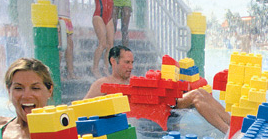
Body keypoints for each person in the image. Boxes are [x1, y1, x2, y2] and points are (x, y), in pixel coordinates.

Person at [86, 47, 231, 134]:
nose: (130, 66)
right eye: (126, 62)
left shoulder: (133, 80)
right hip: (148, 120)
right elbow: (84, 106)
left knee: (201, 93)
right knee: (196, 97)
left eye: (132, 63)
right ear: (113, 61)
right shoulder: (103, 84)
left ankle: (233, 123)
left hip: (161, 107)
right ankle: (227, 131)